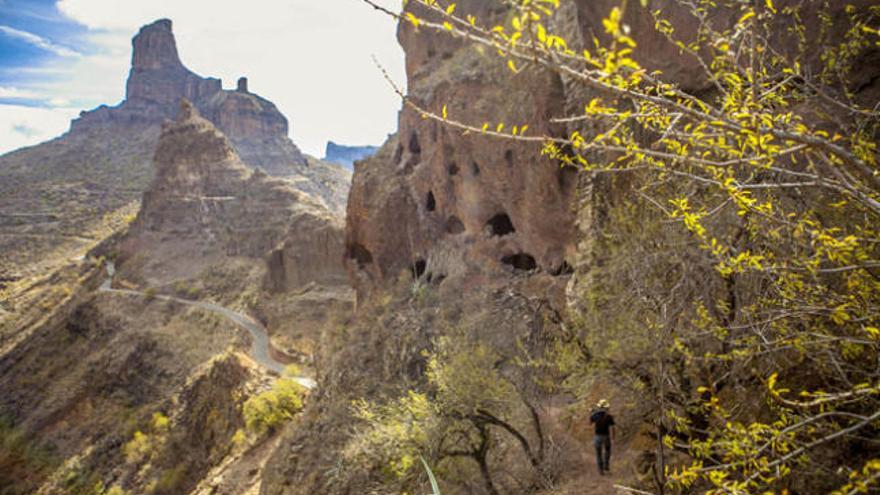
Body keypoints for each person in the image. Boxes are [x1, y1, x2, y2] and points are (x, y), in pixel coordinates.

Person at [590, 399, 615, 475]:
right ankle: (606, 466)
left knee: (598, 453)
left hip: (597, 437)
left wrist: (592, 413)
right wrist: (613, 438)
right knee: (607, 451)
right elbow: (613, 428)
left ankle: (600, 470)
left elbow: (589, 423)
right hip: (606, 436)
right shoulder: (609, 416)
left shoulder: (595, 415)